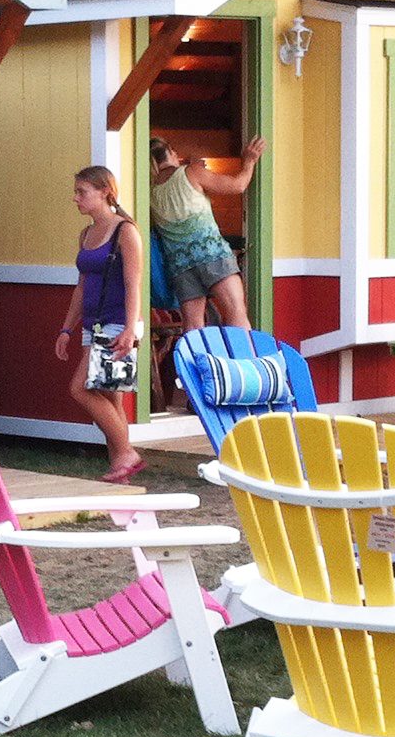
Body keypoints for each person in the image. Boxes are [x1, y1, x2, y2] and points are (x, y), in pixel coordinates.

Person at [55, 165, 147, 485]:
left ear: (105, 192)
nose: (75, 198)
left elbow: (134, 283)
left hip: (117, 324)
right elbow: (81, 287)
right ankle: (120, 468)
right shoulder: (86, 234)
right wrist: (67, 328)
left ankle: (126, 454)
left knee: (80, 388)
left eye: (82, 192)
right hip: (91, 325)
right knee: (109, 399)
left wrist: (129, 330)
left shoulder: (125, 232)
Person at [148, 134, 262, 331]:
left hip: (180, 265)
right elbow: (238, 185)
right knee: (235, 311)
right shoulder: (190, 172)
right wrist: (249, 161)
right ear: (171, 153)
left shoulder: (150, 192)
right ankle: (243, 359)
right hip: (212, 254)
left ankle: (196, 362)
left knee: (192, 327)